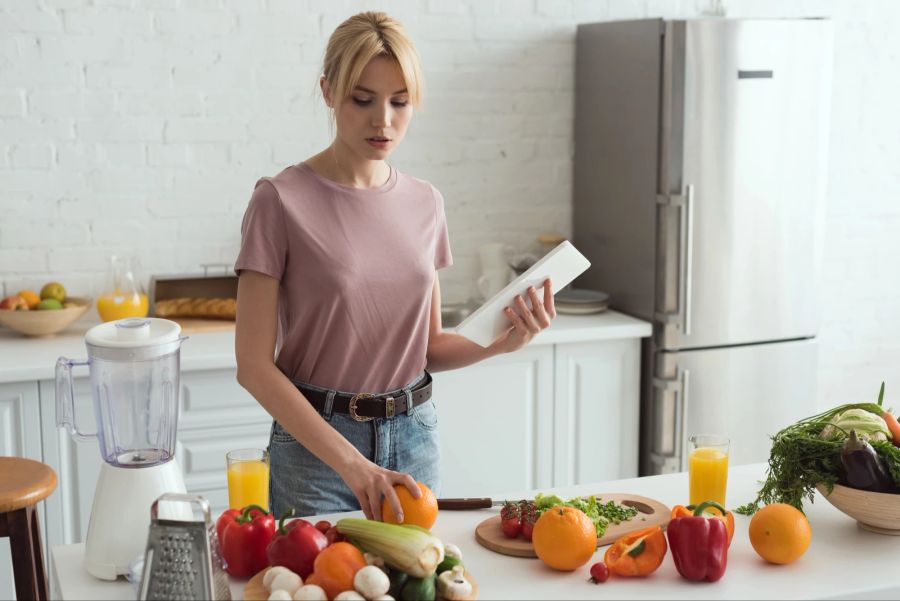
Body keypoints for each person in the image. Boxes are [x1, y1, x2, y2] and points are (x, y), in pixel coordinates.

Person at [234, 11, 556, 523]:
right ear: (328, 91)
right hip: (318, 453)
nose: (382, 119)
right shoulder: (280, 201)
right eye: (363, 99)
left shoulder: (426, 203)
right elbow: (252, 366)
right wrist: (353, 465)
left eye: (399, 101)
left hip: (415, 439)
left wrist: (504, 342)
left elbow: (429, 347)